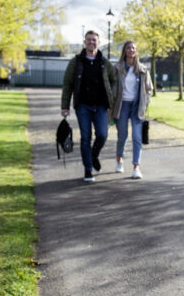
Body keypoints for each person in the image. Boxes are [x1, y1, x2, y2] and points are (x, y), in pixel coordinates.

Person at [61, 30, 117, 183]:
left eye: (94, 40)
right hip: (83, 106)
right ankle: (88, 170)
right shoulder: (76, 61)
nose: (91, 42)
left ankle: (93, 155)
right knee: (85, 137)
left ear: (98, 43)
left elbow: (115, 80)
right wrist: (64, 106)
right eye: (89, 40)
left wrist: (111, 94)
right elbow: (68, 84)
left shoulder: (104, 63)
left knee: (103, 135)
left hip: (100, 106)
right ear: (84, 42)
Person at [111, 41, 153, 179]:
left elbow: (149, 89)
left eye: (133, 48)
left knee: (137, 137)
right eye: (128, 48)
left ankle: (136, 167)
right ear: (124, 50)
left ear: (136, 51)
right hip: (122, 105)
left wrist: (145, 102)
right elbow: (111, 86)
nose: (131, 50)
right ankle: (119, 160)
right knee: (122, 136)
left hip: (136, 106)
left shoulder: (142, 69)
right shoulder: (117, 68)